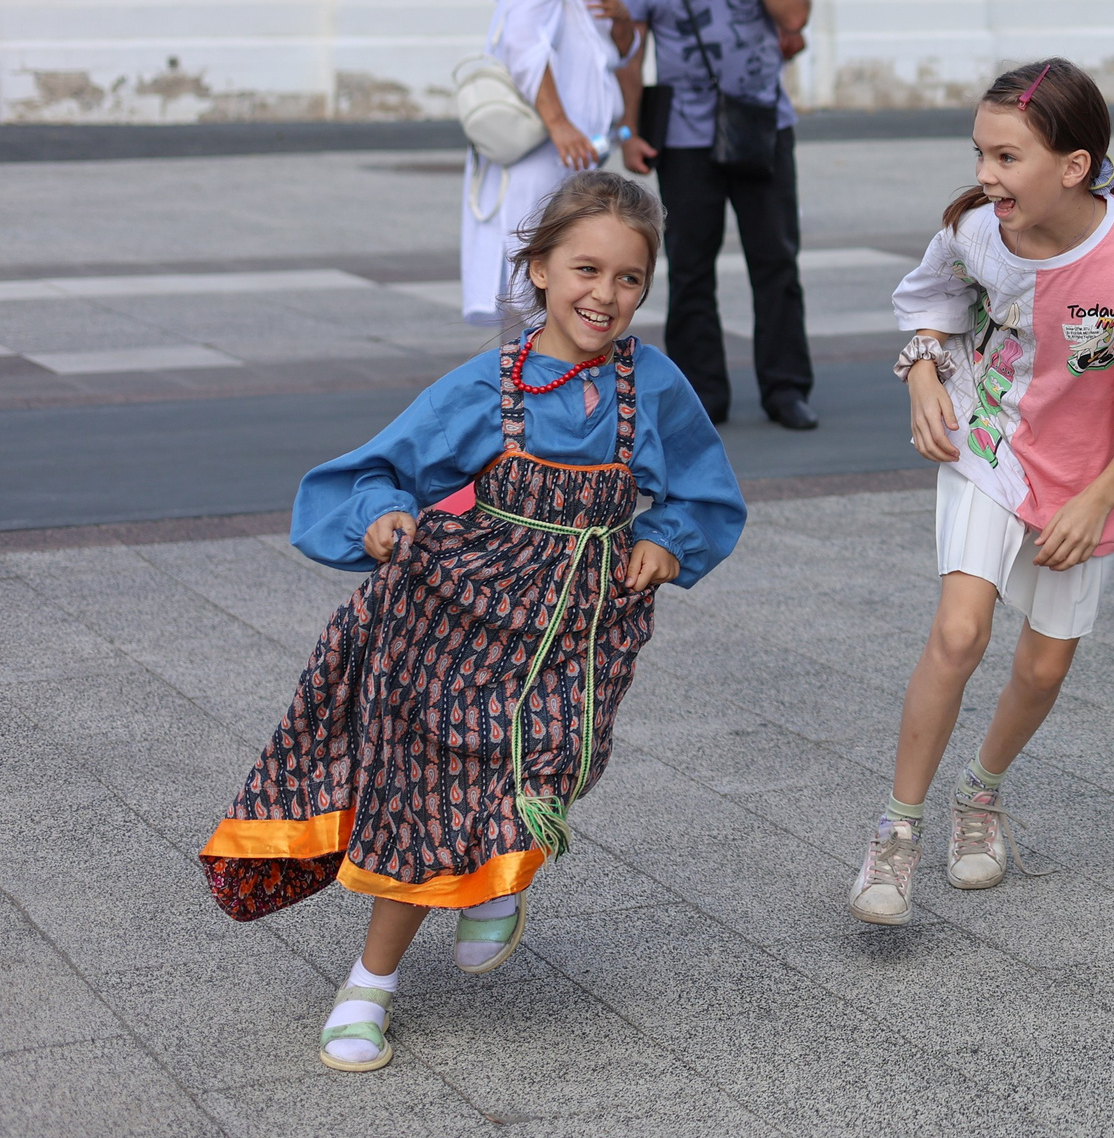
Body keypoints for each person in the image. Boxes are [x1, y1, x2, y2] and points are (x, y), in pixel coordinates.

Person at [200, 173, 745, 1071]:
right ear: (539, 268)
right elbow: (376, 468)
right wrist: (380, 517)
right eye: (585, 269)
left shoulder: (655, 385)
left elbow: (704, 491)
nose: (605, 294)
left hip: (582, 631)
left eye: (629, 278)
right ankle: (368, 986)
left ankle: (499, 871)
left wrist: (666, 540)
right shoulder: (487, 385)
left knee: (558, 761)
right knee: (429, 798)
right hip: (461, 619)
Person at [854, 59, 1114, 927]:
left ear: (1074, 166)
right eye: (980, 152)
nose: (985, 174)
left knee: (1043, 667)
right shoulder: (976, 231)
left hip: (1088, 478)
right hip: (988, 445)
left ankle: (981, 793)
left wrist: (1098, 498)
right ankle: (896, 831)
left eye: (1007, 157)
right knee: (959, 630)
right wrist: (922, 373)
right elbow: (929, 304)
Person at [615, 0, 819, 431]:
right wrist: (629, 129)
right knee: (690, 266)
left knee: (776, 260)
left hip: (762, 125)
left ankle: (786, 388)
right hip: (684, 136)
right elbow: (630, 52)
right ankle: (702, 395)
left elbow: (795, 15)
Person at [462, 0, 632, 325]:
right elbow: (523, 48)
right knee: (538, 272)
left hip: (571, 154)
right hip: (545, 152)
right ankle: (532, 368)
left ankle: (543, 364)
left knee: (559, 266)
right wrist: (559, 123)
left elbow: (609, 58)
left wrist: (621, 20)